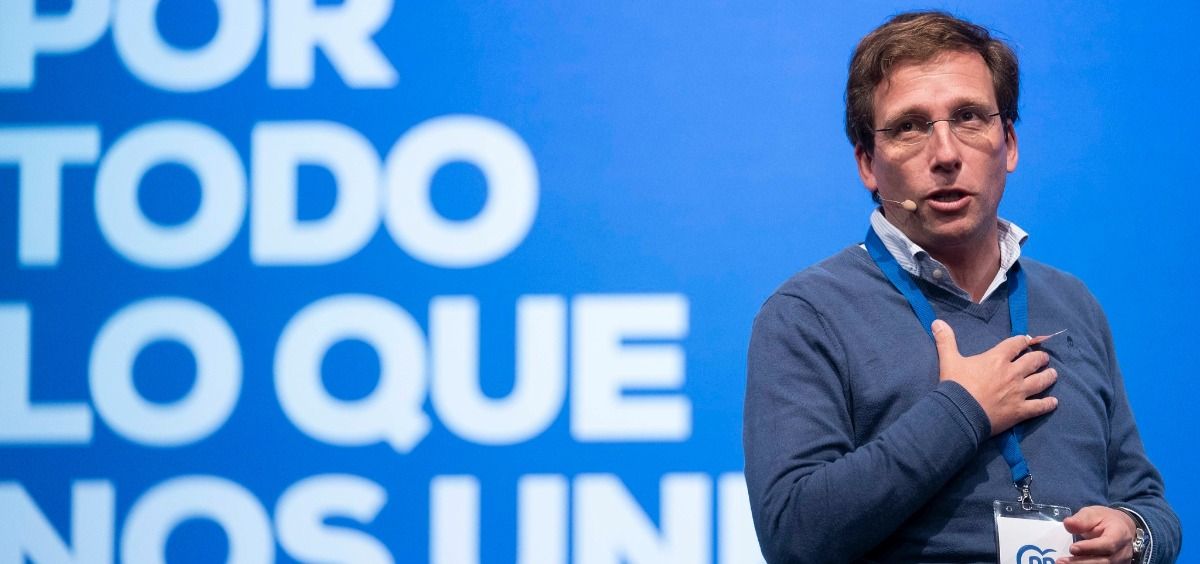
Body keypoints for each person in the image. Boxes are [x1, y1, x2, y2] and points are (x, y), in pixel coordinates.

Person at [743, 11, 1181, 563]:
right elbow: (793, 534)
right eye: (909, 127)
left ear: (1009, 143)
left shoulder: (1072, 303)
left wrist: (1132, 537)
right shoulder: (808, 314)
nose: (946, 154)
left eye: (969, 117)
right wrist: (964, 409)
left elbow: (1148, 505)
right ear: (867, 163)